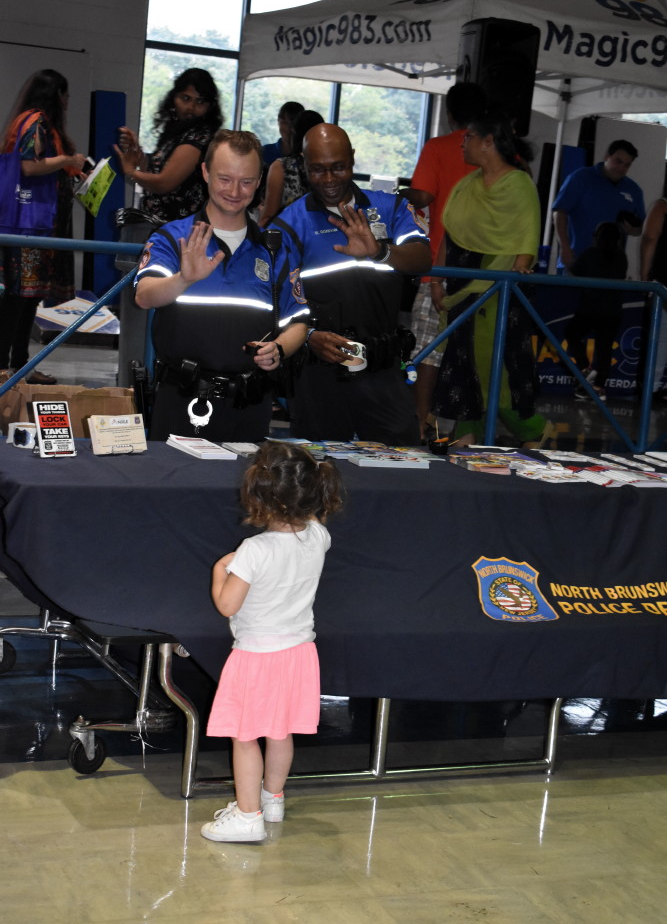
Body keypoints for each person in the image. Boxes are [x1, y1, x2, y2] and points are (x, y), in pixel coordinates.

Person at [201, 440, 343, 843]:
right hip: (299, 652)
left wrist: (219, 571)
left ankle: (248, 817)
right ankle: (272, 798)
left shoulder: (253, 550)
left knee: (245, 736)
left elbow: (227, 605)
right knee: (280, 731)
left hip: (257, 657)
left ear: (258, 496)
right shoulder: (319, 536)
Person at [134, 129, 309, 442]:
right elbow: (145, 296)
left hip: (250, 405)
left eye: (246, 181)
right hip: (181, 400)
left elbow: (297, 322)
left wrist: (279, 349)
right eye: (224, 178)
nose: (235, 191)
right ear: (205, 172)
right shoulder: (173, 237)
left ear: (259, 181)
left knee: (245, 491)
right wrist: (184, 278)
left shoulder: (276, 250)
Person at [270, 123, 431, 445]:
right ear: (303, 165)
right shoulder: (288, 224)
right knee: (317, 479)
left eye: (338, 168)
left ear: (353, 160)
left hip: (383, 371)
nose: (329, 180)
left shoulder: (391, 207)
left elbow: (423, 258)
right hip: (318, 373)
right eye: (318, 170)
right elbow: (274, 300)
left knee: (400, 472)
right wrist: (309, 337)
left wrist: (380, 251)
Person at [433, 110, 551, 446]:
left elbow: (526, 239)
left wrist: (511, 281)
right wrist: (437, 281)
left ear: (488, 142)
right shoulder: (466, 185)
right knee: (462, 359)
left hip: (497, 289)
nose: (463, 144)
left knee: (491, 365)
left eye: (468, 137)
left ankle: (533, 428)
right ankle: (467, 431)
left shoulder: (519, 184)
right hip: (459, 286)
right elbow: (449, 235)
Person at [399, 83, 486, 438]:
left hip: (440, 264)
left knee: (427, 349)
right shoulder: (498, 154)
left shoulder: (439, 147)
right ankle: (469, 428)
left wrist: (396, 194)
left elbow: (422, 195)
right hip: (486, 269)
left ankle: (421, 422)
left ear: (449, 113)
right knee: (475, 351)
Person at [0, 68, 87, 384]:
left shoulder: (33, 121)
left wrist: (70, 170)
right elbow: (29, 165)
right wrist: (67, 160)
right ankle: (2, 367)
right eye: (67, 95)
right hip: (27, 228)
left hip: (33, 225)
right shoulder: (36, 121)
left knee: (27, 298)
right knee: (18, 298)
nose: (68, 102)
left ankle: (18, 365)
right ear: (56, 95)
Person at [113, 68, 223, 222]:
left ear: (210, 106)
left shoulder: (199, 137)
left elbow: (163, 183)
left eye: (200, 101)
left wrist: (131, 172)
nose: (191, 107)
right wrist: (137, 152)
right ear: (174, 98)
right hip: (161, 226)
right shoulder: (175, 132)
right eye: (186, 98)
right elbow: (154, 171)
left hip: (180, 231)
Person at [552, 140, 645, 270]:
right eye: (618, 161)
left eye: (626, 165)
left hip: (611, 265)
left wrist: (632, 229)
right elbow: (560, 212)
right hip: (576, 259)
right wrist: (565, 247)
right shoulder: (581, 178)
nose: (621, 168)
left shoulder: (633, 190)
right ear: (607, 156)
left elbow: (640, 228)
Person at [565, 222, 628, 402]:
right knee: (604, 349)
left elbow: (575, 270)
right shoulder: (621, 257)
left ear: (596, 237)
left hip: (590, 308)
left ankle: (585, 368)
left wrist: (569, 259)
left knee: (572, 333)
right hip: (613, 310)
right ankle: (599, 387)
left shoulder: (590, 254)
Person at [258, 110, 324, 227]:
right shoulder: (330, 169)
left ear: (295, 135)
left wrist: (254, 242)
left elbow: (268, 217)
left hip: (289, 236)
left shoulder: (282, 167)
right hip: (322, 233)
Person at [639, 196, 667, 399]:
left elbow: (650, 237)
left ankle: (652, 386)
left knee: (660, 336)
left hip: (664, 280)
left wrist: (645, 274)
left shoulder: (662, 206)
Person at [261, 101, 304, 168]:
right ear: (278, 122)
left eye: (292, 123)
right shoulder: (265, 152)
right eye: (284, 122)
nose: (288, 128)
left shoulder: (305, 156)